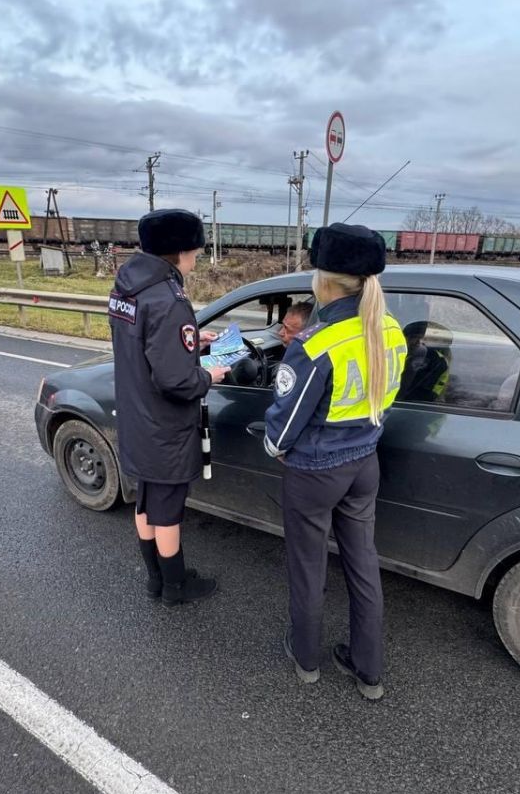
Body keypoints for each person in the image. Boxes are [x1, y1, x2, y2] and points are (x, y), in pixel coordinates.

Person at [262, 224, 408, 701]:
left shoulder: (316, 344)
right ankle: (369, 671)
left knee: (308, 568)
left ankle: (306, 660)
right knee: (363, 565)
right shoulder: (389, 330)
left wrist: (275, 448)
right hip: (366, 462)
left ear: (323, 280)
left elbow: (284, 424)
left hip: (316, 472)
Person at [109, 209, 230, 606]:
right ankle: (176, 587)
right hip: (165, 427)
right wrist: (208, 376)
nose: (196, 259)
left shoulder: (127, 288)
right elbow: (176, 381)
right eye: (194, 251)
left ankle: (155, 579)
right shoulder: (168, 299)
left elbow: (146, 346)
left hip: (137, 415)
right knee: (167, 511)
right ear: (178, 250)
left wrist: (192, 340)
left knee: (146, 501)